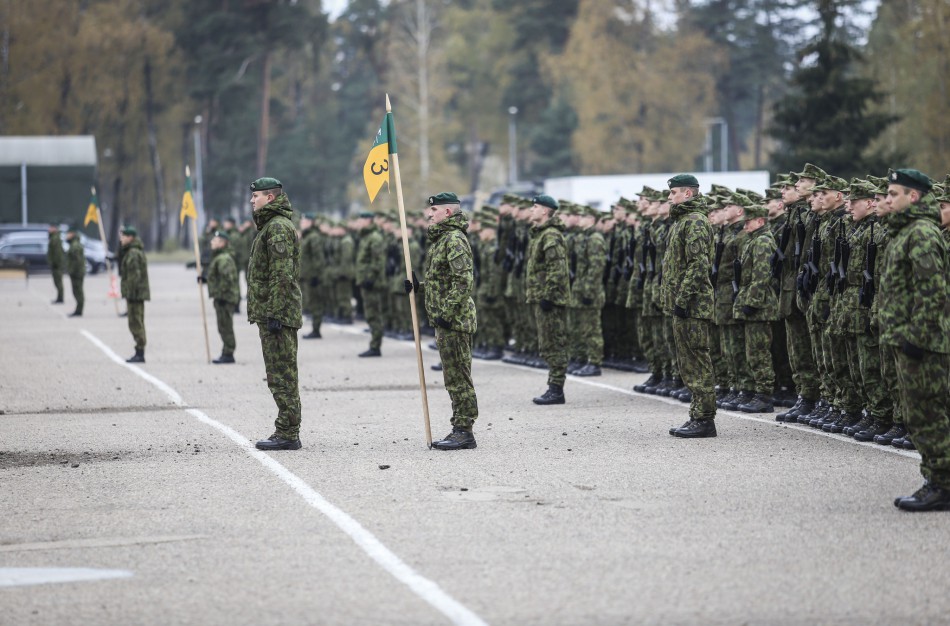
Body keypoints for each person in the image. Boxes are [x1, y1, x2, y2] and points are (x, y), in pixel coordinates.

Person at [878, 169, 950, 511]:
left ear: (914, 197)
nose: (888, 199)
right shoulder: (904, 232)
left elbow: (933, 293)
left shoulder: (921, 233)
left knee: (929, 414)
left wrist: (918, 339)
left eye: (894, 194)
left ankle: (943, 484)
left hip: (923, 343)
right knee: (919, 413)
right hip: (904, 338)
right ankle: (937, 479)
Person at [408, 192, 479, 450]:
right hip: (446, 320)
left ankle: (464, 431)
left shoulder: (454, 239)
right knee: (452, 377)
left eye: (434, 210)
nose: (430, 214)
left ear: (447, 213)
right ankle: (460, 426)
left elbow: (464, 282)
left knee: (459, 377)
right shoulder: (441, 239)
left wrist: (446, 314)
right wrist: (420, 287)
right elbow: (443, 282)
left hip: (455, 321)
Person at [246, 177, 303, 451]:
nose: (251, 201)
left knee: (283, 375)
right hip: (272, 311)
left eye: (255, 196)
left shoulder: (277, 227)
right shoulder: (270, 225)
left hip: (277, 313)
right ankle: (287, 428)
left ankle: (288, 432)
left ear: (270, 198)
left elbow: (282, 275)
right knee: (278, 374)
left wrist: (276, 313)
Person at [662, 174, 717, 438]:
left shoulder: (695, 221)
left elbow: (698, 265)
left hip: (693, 305)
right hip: (683, 304)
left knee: (697, 361)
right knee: (688, 363)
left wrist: (682, 300)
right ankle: (697, 415)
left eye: (673, 193)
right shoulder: (682, 221)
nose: (669, 198)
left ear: (687, 194)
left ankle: (705, 419)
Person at [525, 194, 570, 405]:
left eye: (534, 207)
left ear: (545, 211)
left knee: (555, 343)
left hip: (550, 300)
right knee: (547, 343)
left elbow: (557, 269)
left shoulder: (550, 235)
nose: (530, 210)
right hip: (542, 297)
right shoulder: (540, 234)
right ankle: (553, 386)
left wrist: (549, 296)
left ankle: (556, 389)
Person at [200, 230, 240, 363]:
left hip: (225, 298)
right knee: (222, 326)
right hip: (221, 296)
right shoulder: (218, 257)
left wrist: (222, 296)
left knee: (225, 326)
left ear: (222, 243)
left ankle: (229, 353)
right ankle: (226, 351)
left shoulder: (224, 258)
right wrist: (205, 279)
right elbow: (217, 277)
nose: (212, 242)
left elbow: (227, 280)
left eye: (215, 241)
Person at [355, 210, 387, 356]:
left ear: (369, 221)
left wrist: (370, 278)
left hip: (372, 282)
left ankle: (376, 346)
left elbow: (378, 261)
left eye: (361, 220)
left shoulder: (374, 237)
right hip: (366, 281)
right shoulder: (366, 237)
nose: (359, 222)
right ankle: (374, 344)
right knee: (370, 314)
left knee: (374, 314)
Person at [118, 225, 150, 362]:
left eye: (123, 236)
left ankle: (140, 352)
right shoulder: (131, 251)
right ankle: (139, 351)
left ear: (130, 238)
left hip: (135, 294)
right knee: (135, 322)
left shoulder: (133, 253)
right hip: (134, 294)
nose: (121, 239)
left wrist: (129, 293)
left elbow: (134, 276)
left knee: (136, 322)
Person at [65, 226, 85, 317]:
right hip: (76, 272)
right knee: (76, 291)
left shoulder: (75, 245)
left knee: (78, 291)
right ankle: (78, 309)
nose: (66, 235)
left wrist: (73, 271)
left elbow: (77, 260)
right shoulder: (73, 244)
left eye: (68, 233)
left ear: (72, 234)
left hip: (77, 272)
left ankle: (79, 310)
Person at [47, 224, 65, 304]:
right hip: (55, 264)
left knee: (58, 281)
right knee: (57, 281)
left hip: (57, 264)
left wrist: (56, 263)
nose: (49, 229)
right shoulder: (53, 238)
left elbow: (57, 253)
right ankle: (59, 297)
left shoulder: (55, 239)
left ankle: (60, 298)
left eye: (51, 228)